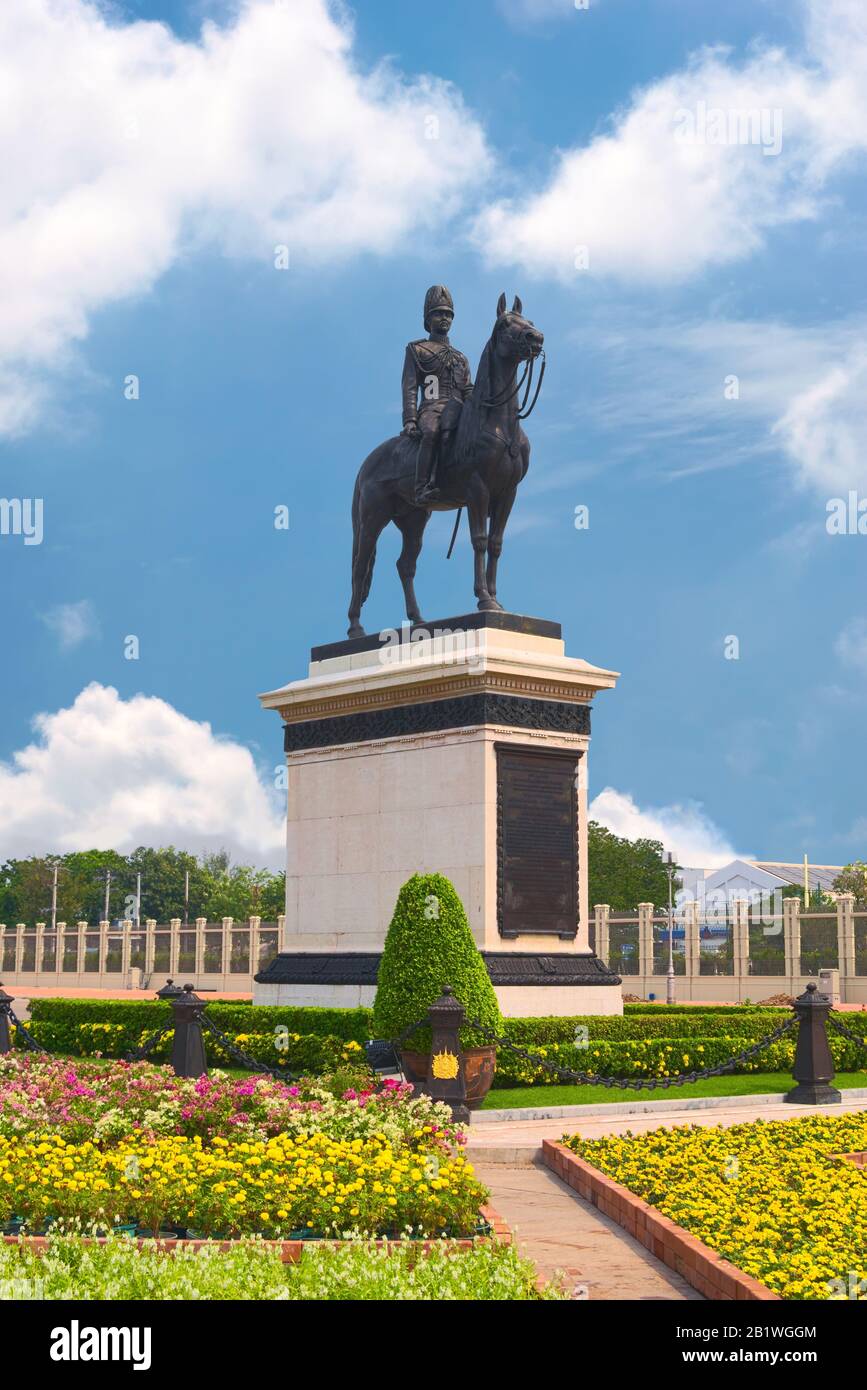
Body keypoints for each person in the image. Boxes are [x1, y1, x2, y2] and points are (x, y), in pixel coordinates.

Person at [401, 285, 473, 503]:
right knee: (432, 431)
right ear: (427, 319)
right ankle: (421, 486)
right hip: (431, 408)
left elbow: (468, 388)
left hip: (458, 408)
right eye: (439, 313)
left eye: (448, 314)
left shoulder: (461, 357)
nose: (444, 318)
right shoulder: (417, 350)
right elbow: (410, 386)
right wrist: (410, 420)